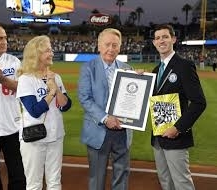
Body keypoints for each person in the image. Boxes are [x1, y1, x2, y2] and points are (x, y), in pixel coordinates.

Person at [151, 24, 207, 190]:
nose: (161, 41)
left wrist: (177, 128)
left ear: (173, 39)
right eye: (158, 38)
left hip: (175, 136)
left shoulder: (184, 65)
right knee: (165, 182)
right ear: (154, 43)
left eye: (165, 37)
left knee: (181, 183)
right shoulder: (155, 71)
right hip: (158, 137)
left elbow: (199, 102)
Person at [78, 28, 133, 190]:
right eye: (107, 44)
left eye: (115, 45)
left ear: (120, 47)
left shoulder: (127, 68)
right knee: (97, 177)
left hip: (123, 131)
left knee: (122, 175)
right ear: (99, 46)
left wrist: (140, 81)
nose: (111, 49)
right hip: (98, 130)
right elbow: (85, 98)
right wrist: (105, 118)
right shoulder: (88, 68)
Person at [16, 35, 72, 190]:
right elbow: (34, 111)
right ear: (37, 54)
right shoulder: (25, 79)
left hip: (56, 136)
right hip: (34, 138)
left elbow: (66, 106)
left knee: (55, 182)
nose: (52, 53)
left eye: (51, 50)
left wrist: (56, 88)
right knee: (34, 184)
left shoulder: (56, 77)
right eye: (48, 50)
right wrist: (50, 93)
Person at [0, 24, 26, 190]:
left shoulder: (13, 61)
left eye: (5, 37)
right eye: (0, 38)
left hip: (12, 127)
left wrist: (3, 79)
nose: (5, 41)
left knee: (18, 174)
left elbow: (23, 88)